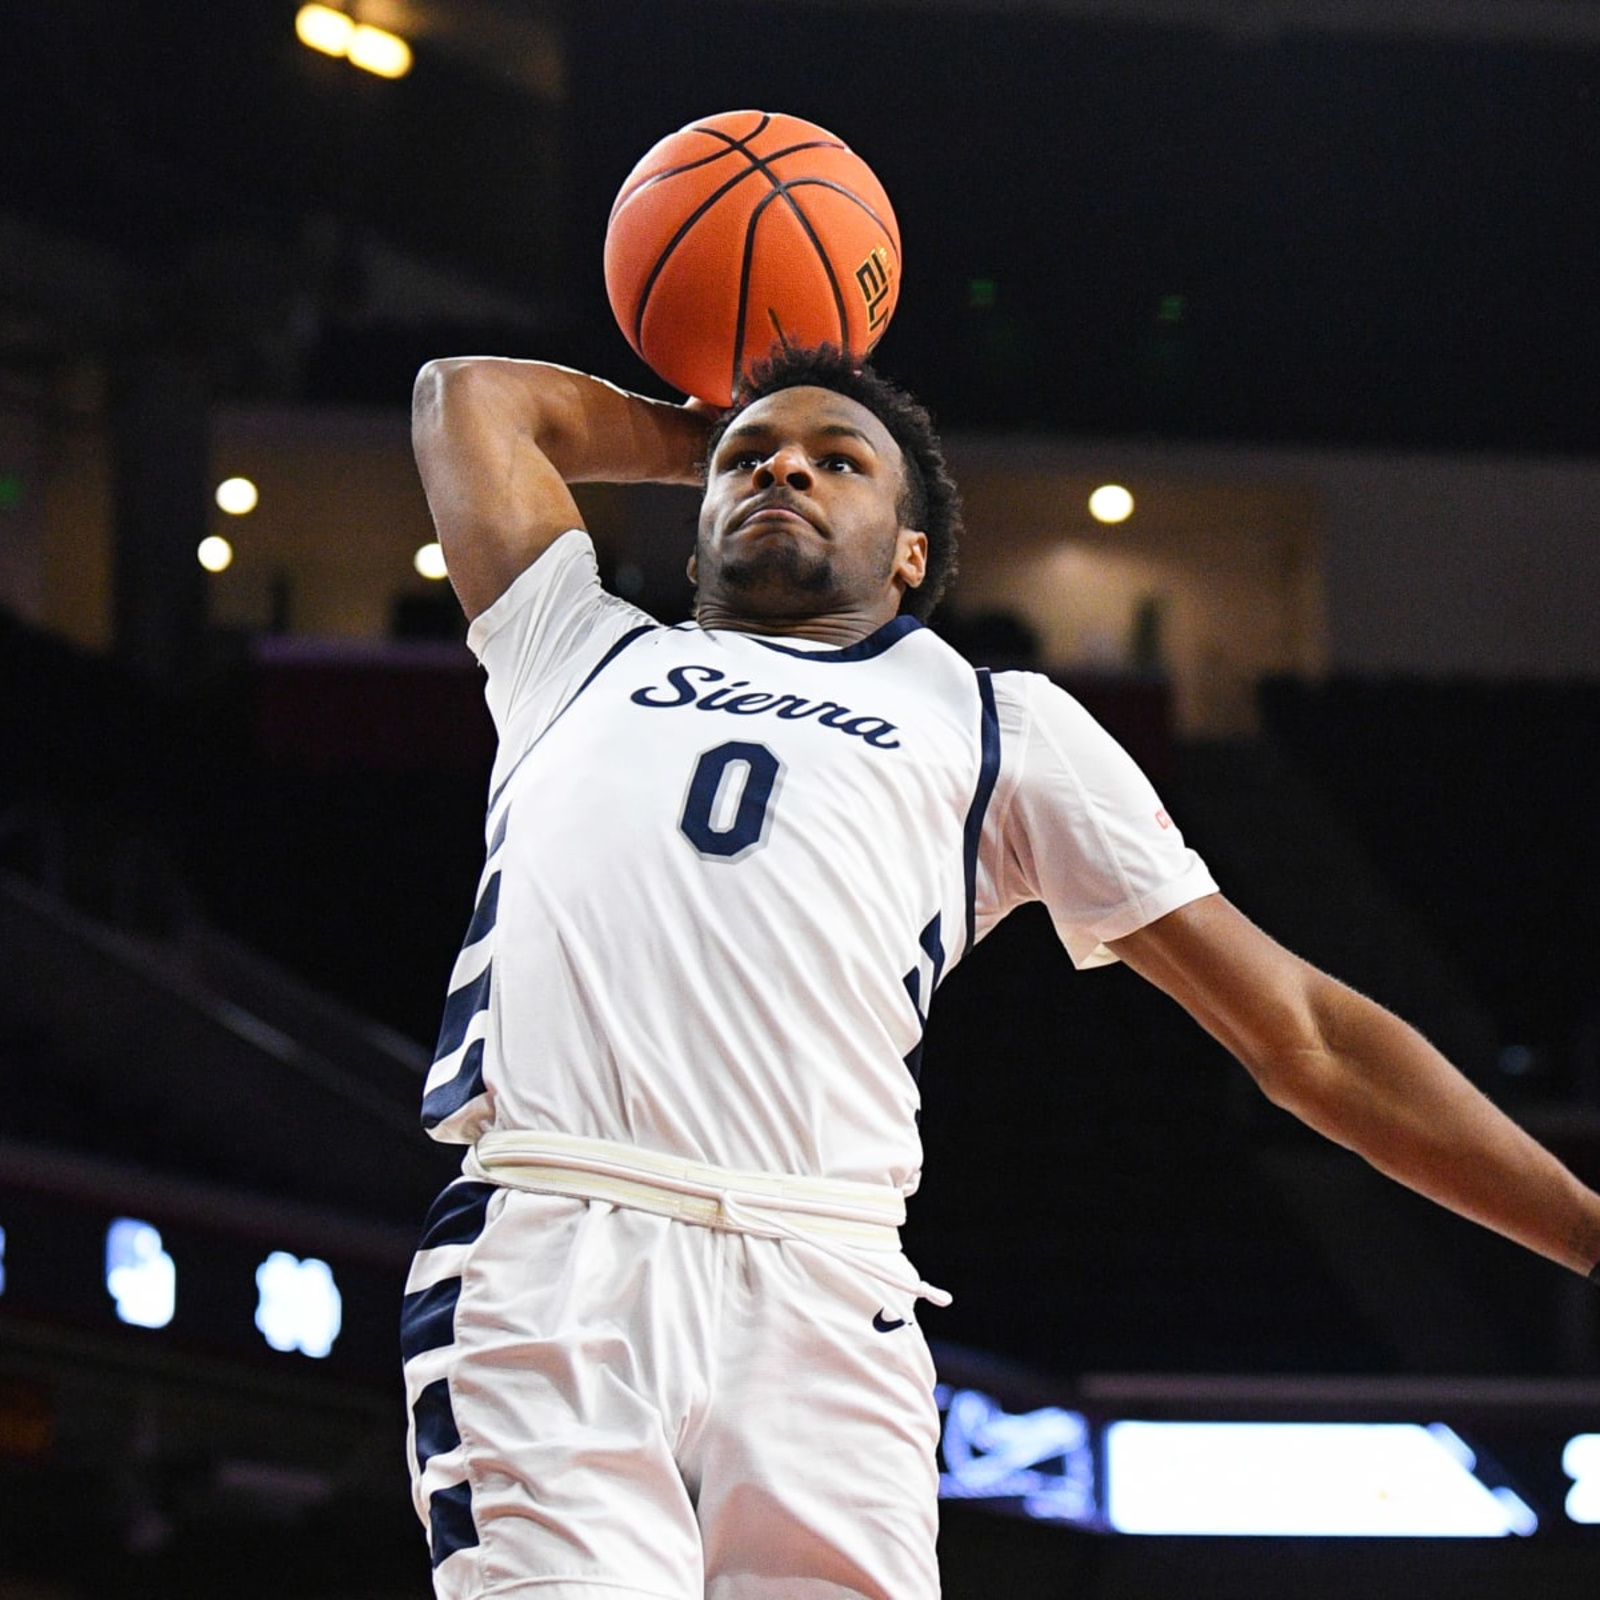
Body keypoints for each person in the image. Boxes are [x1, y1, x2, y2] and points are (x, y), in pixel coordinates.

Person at [400, 343, 1600, 1600]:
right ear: (696, 526)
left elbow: (1300, 1033)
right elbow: (467, 399)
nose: (786, 467)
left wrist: (1581, 1229)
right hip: (559, 1232)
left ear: (911, 551)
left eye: (837, 459)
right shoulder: (571, 648)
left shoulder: (999, 722)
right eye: (750, 463)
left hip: (829, 1281)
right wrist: (697, 432)